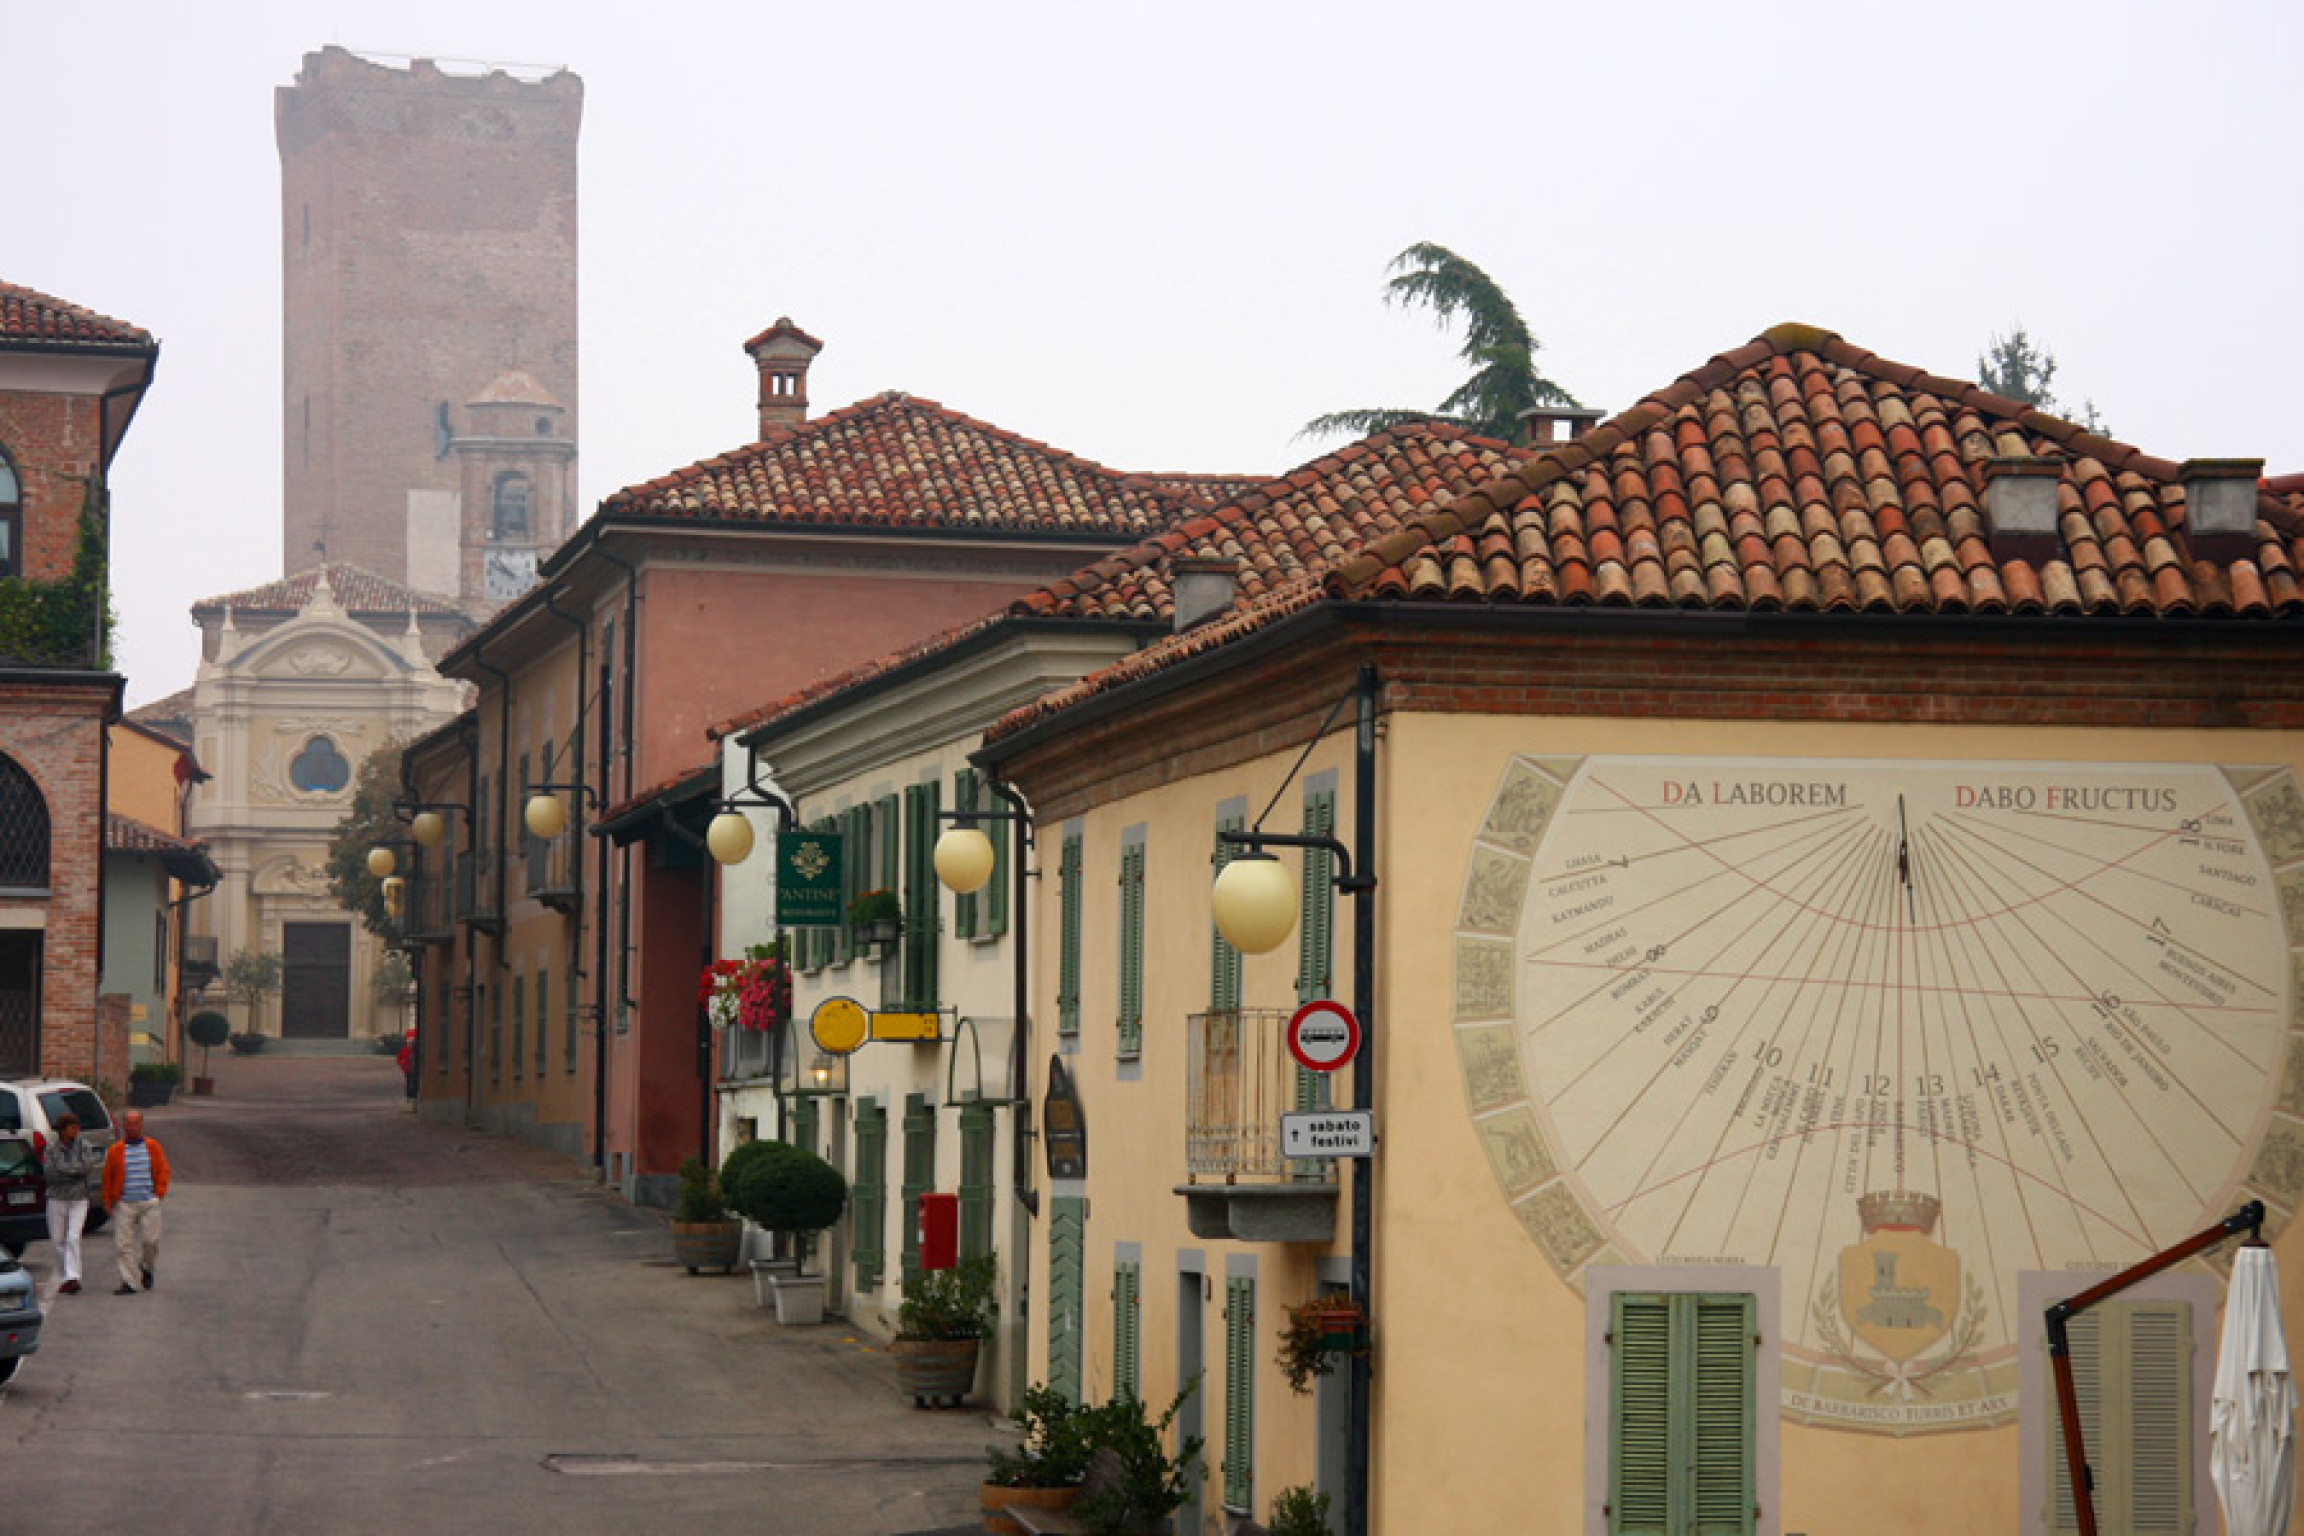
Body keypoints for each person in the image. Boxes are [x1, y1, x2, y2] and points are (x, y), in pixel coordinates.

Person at [101, 1108, 170, 1296]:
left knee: (151, 1241)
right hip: (125, 1202)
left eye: (135, 1123)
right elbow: (107, 1177)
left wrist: (159, 1193)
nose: (132, 1127)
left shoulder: (153, 1147)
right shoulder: (116, 1151)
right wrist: (107, 1200)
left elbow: (163, 1170)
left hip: (149, 1201)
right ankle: (129, 1281)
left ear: (141, 1125)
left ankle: (147, 1267)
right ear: (123, 1126)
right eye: (128, 1124)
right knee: (123, 1245)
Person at [40, 1113, 101, 1295]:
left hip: (78, 1198)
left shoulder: (84, 1146)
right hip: (57, 1198)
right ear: (62, 1129)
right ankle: (64, 1275)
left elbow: (88, 1167)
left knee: (73, 1237)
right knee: (58, 1239)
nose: (76, 1130)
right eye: (72, 1127)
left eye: (77, 1127)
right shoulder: (51, 1148)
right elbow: (50, 1173)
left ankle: (73, 1277)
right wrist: (74, 1172)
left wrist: (65, 1170)